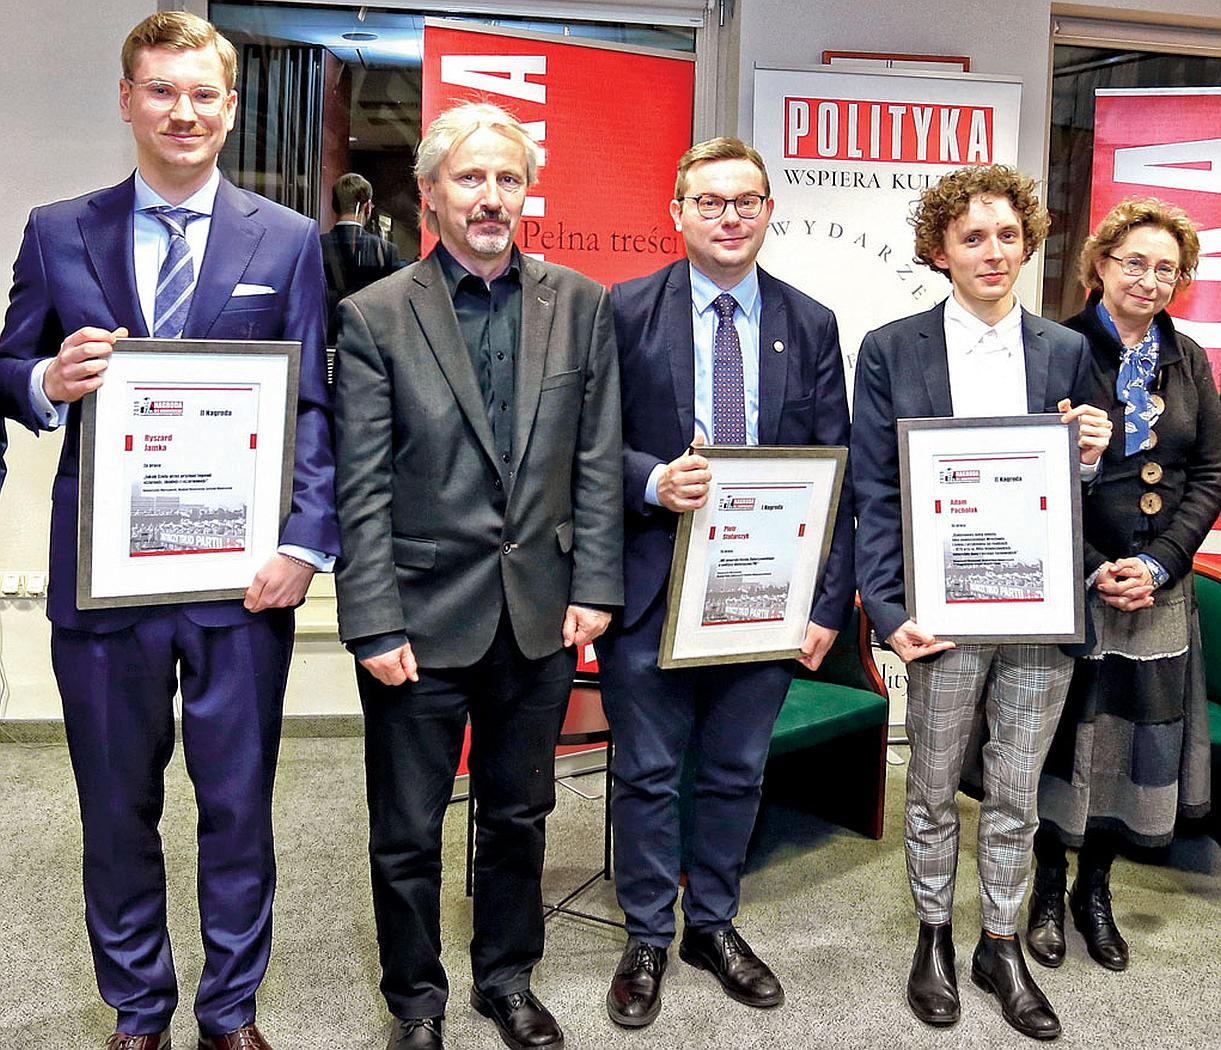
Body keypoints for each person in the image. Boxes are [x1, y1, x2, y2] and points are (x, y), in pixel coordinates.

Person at [0, 12, 337, 1050]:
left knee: (238, 808)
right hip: (104, 580)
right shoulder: (58, 230)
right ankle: (138, 1007)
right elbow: (5, 367)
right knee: (114, 809)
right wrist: (47, 378)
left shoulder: (288, 240)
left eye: (202, 94)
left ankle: (229, 1011)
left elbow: (314, 408)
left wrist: (305, 543)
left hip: (242, 582)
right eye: (160, 90)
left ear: (231, 107)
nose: (182, 112)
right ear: (127, 99)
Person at [332, 101, 622, 1050]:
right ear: (430, 192)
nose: (491, 196)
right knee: (406, 831)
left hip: (538, 613)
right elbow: (361, 486)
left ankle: (506, 978)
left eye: (507, 178)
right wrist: (372, 621)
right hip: (416, 620)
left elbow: (594, 457)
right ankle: (416, 1001)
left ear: (526, 191)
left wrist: (595, 587)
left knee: (519, 815)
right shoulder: (376, 315)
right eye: (470, 178)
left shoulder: (578, 304)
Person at [599, 137, 855, 1028]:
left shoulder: (809, 322)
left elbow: (837, 469)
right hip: (650, 586)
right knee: (645, 773)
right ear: (676, 212)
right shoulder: (622, 311)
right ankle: (645, 935)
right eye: (709, 202)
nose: (729, 217)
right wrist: (651, 480)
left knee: (736, 771)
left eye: (745, 201)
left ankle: (711, 925)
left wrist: (827, 603)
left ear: (767, 211)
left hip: (765, 594)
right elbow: (587, 446)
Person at [852, 165, 1112, 1040]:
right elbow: (874, 492)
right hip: (941, 614)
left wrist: (1087, 456)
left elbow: (1079, 487)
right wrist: (888, 610)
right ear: (939, 251)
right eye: (971, 237)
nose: (992, 251)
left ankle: (998, 944)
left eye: (1007, 235)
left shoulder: (1065, 350)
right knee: (930, 786)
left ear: (1028, 243)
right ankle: (932, 934)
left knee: (1014, 791)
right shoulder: (890, 348)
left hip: (1038, 610)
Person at [1026, 199, 1221, 974]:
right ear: (1099, 264)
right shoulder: (1055, 348)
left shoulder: (1189, 359)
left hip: (1156, 590)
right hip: (1075, 582)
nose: (1148, 279)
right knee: (1060, 742)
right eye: (1133, 262)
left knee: (1132, 743)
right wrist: (1092, 565)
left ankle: (1093, 891)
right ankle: (1046, 888)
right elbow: (1028, 473)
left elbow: (1208, 474)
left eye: (1165, 269)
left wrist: (1160, 563)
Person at [319, 172, 404, 343]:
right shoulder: (386, 250)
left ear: (334, 206)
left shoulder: (316, 246)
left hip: (324, 337)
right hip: (371, 340)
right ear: (367, 207)